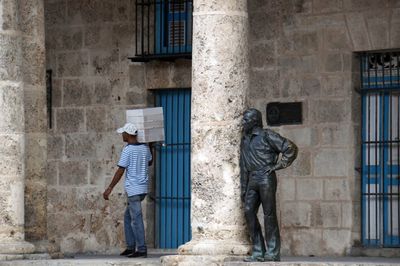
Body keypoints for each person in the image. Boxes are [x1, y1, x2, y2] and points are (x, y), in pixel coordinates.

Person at [240, 108, 298, 262]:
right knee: (248, 211)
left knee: (269, 214)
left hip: (266, 178)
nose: (242, 122)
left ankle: (272, 252)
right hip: (252, 178)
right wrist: (243, 188)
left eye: (245, 120)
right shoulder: (245, 139)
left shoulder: (267, 135)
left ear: (254, 122)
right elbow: (243, 165)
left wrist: (277, 166)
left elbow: (290, 148)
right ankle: (258, 251)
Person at [103, 122, 153, 258]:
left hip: (133, 189)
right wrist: (151, 146)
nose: (122, 135)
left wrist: (109, 188)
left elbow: (120, 171)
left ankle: (141, 249)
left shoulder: (128, 150)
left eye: (123, 133)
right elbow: (149, 161)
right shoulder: (144, 148)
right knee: (127, 217)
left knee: (136, 219)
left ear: (128, 134)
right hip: (142, 189)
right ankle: (131, 247)